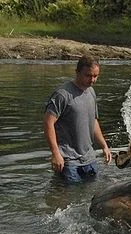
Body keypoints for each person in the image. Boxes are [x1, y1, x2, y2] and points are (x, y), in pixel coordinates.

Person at [43, 55, 112, 183]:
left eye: (96, 76)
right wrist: (56, 154)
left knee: (91, 195)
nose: (92, 80)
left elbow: (93, 121)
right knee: (67, 197)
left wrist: (104, 146)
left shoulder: (91, 92)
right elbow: (48, 123)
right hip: (68, 161)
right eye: (88, 75)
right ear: (77, 72)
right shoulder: (62, 95)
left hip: (89, 158)